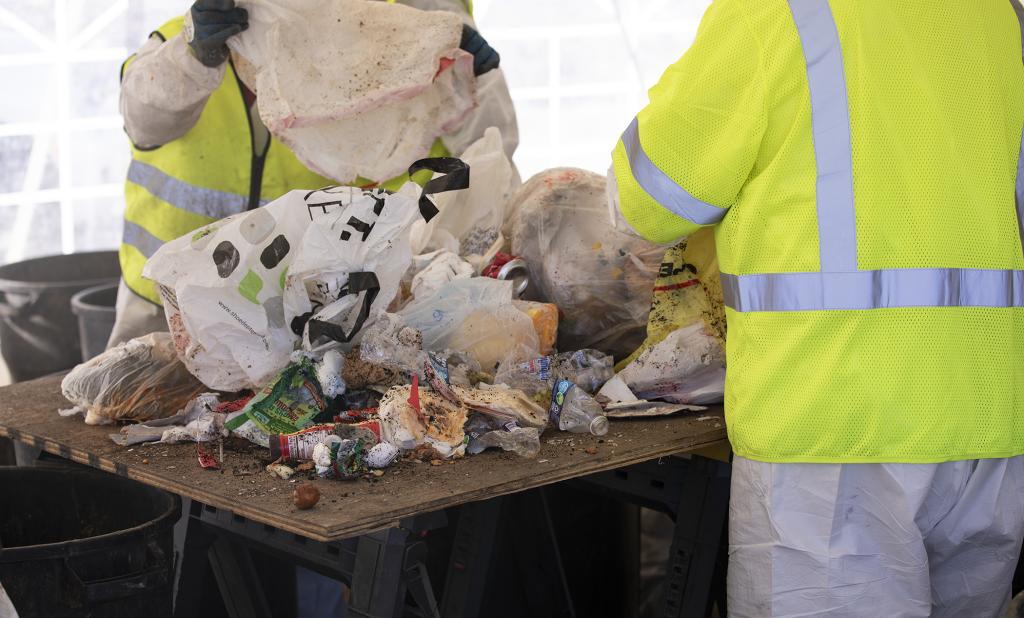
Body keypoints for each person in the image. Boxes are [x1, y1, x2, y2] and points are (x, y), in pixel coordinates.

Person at [609, 1, 1024, 616]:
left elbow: (651, 199)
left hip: (833, 427)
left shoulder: (774, 11)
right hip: (988, 427)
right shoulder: (998, 14)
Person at [109, 0, 517, 347]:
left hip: (291, 320)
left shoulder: (362, 58)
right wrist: (193, 57)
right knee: (120, 414)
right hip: (166, 308)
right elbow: (144, 122)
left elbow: (483, 155)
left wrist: (476, 81)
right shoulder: (178, 45)